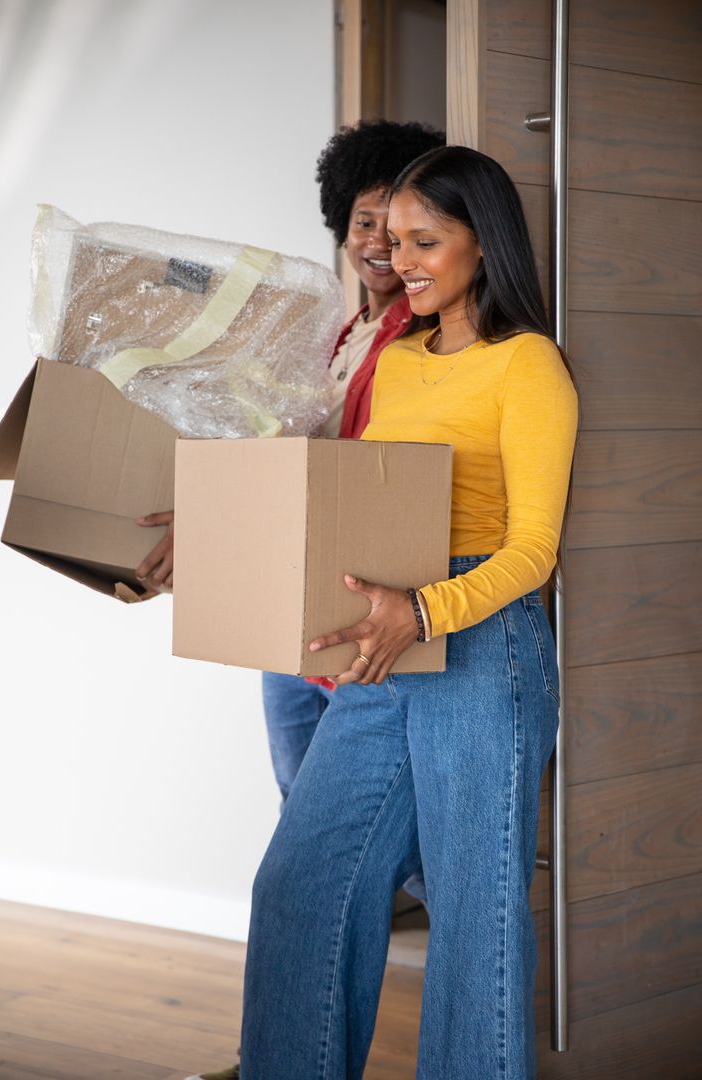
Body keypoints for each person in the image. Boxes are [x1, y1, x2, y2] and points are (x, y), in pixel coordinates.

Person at [237, 145, 578, 1079]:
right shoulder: (398, 361)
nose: (402, 260)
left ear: (484, 242)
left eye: (426, 241)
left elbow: (535, 551)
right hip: (386, 638)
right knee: (302, 884)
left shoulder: (529, 365)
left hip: (481, 643)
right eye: (393, 239)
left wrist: (424, 613)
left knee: (473, 914)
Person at [133, 121, 444, 1080]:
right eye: (364, 221)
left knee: (355, 864)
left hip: (361, 627)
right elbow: (288, 463)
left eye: (402, 226)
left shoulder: (428, 338)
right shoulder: (337, 336)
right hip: (294, 632)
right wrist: (214, 517)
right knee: (312, 859)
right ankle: (282, 1053)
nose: (380, 244)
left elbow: (369, 487)